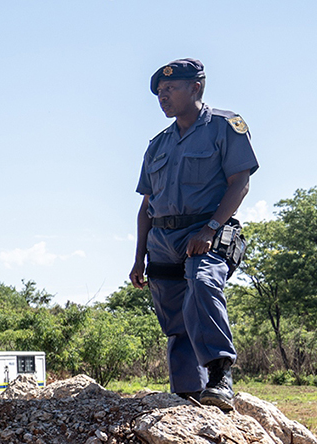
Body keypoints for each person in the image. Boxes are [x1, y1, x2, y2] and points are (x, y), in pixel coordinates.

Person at [129, 58, 255, 411]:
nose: (163, 97)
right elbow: (146, 207)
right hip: (162, 242)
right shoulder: (157, 145)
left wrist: (211, 228)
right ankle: (187, 395)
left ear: (196, 87)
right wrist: (139, 257)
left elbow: (240, 183)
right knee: (175, 319)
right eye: (159, 92)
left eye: (170, 89)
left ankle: (219, 374)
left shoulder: (225, 126)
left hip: (208, 230)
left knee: (202, 283)